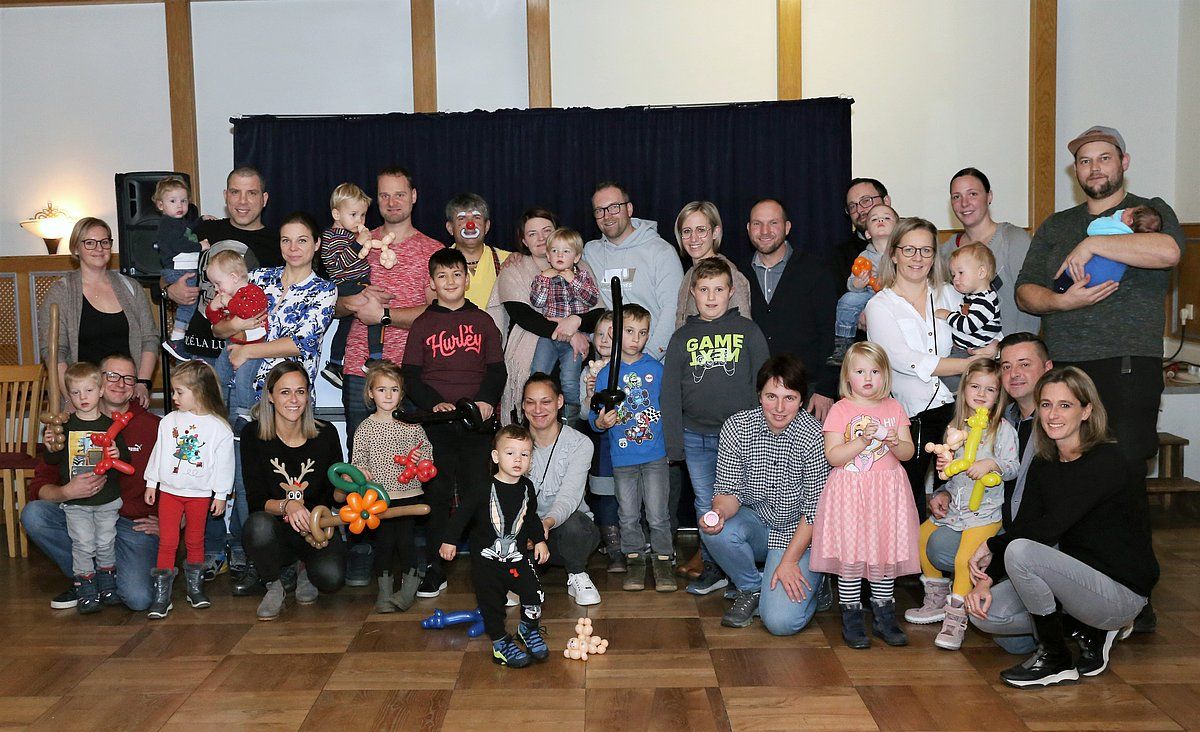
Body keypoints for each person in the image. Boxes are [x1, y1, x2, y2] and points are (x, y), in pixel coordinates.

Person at [964, 367, 1159, 687]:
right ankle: (1086, 629)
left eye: (1064, 405)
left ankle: (1056, 657)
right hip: (1073, 580)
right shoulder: (1046, 460)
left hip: (1119, 591)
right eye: (1045, 404)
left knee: (1022, 550)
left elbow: (1050, 527)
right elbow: (1028, 523)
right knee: (986, 614)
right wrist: (986, 579)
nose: (1052, 414)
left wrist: (991, 546)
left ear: (1087, 411)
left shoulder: (1108, 460)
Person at [1015, 126, 1182, 473]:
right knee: (1066, 470)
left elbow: (1168, 252)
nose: (1095, 168)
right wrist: (1060, 302)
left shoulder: (1149, 212)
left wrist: (1092, 244)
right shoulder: (1057, 225)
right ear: (1075, 170)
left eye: (1104, 158)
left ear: (1124, 162)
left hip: (1128, 364)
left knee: (1123, 468)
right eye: (1085, 161)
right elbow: (1025, 291)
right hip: (1064, 367)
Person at [925, 332, 1053, 655]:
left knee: (996, 620)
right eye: (1007, 366)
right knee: (935, 543)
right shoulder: (1000, 418)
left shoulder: (1053, 426)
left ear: (1047, 368)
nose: (1014, 374)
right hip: (989, 526)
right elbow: (963, 465)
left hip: (1034, 543)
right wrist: (943, 489)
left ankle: (1067, 622)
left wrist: (999, 545)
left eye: (1025, 364)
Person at [402, 247, 506, 598]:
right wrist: (436, 404)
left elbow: (496, 370)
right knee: (439, 495)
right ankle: (435, 567)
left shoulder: (483, 322)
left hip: (476, 423)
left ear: (467, 279)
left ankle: (488, 569)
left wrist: (486, 402)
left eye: (456, 275)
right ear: (431, 282)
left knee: (480, 494)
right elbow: (411, 375)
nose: (450, 282)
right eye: (442, 276)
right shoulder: (422, 325)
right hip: (437, 425)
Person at [662, 257, 769, 596]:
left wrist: (763, 434)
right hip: (696, 437)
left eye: (719, 289)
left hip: (742, 440)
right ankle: (712, 567)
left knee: (744, 502)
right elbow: (669, 393)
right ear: (693, 292)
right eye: (704, 289)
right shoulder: (681, 337)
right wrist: (674, 443)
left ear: (731, 292)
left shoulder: (748, 331)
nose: (711, 296)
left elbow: (764, 384)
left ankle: (741, 568)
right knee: (705, 505)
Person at [865, 217, 983, 522]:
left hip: (959, 408)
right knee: (906, 500)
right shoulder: (880, 305)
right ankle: (904, 567)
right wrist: (968, 365)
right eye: (909, 250)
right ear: (893, 253)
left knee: (959, 493)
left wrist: (984, 351)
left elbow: (975, 333)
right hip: (910, 418)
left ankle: (945, 562)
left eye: (926, 251)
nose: (918, 259)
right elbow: (902, 359)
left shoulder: (951, 294)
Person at [701, 355, 830, 633]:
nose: (780, 408)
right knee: (715, 529)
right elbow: (728, 491)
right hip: (756, 522)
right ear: (759, 395)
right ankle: (751, 588)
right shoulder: (736, 427)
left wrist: (789, 561)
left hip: (800, 533)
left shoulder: (815, 435)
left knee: (781, 623)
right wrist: (719, 512)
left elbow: (815, 512)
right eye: (771, 396)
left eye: (790, 398)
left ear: (803, 400)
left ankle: (819, 579)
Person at [22, 353, 162, 611]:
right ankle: (86, 581)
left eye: (129, 378)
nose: (120, 383)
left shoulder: (156, 427)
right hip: (81, 514)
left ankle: (116, 576)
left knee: (139, 598)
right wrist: (66, 492)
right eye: (112, 376)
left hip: (134, 524)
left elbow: (183, 480)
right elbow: (39, 485)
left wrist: (173, 522)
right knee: (35, 514)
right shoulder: (66, 427)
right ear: (98, 382)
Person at [810, 342, 917, 648]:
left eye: (875, 371)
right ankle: (852, 615)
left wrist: (896, 442)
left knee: (884, 552)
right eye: (860, 371)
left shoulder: (894, 408)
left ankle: (884, 614)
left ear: (885, 375)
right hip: (851, 493)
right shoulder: (841, 409)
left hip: (887, 492)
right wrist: (861, 442)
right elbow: (834, 456)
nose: (868, 377)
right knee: (852, 556)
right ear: (848, 377)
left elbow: (908, 453)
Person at [907, 360, 1019, 651]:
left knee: (963, 561)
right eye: (975, 387)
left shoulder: (1003, 430)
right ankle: (935, 600)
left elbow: (1012, 467)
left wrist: (991, 463)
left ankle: (956, 618)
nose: (981, 394)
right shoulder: (954, 429)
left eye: (990, 389)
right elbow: (949, 471)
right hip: (956, 509)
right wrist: (943, 485)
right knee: (920, 537)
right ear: (964, 388)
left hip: (985, 515)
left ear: (999, 395)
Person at [337, 167, 444, 452]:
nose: (392, 202)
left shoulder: (432, 251)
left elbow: (437, 315)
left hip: (413, 371)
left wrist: (383, 316)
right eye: (385, 195)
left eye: (399, 194)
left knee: (414, 461)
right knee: (361, 460)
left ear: (413, 196)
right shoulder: (356, 244)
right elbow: (333, 307)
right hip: (361, 370)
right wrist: (353, 301)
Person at [240, 362, 347, 621]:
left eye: (300, 391)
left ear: (308, 396)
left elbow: (336, 498)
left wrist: (347, 485)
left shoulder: (326, 433)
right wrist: (288, 505)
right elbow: (256, 500)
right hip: (276, 531)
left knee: (331, 579)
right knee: (257, 526)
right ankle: (273, 584)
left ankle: (304, 570)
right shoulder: (252, 435)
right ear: (270, 396)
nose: (294, 399)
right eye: (285, 392)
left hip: (316, 530)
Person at [440, 424, 550, 668]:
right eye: (510, 453)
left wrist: (540, 540)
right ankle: (501, 643)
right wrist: (449, 540)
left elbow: (531, 517)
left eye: (525, 454)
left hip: (518, 559)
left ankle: (528, 629)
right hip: (486, 564)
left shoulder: (526, 488)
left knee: (534, 593)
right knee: (492, 606)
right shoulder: (482, 488)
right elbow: (461, 516)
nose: (518, 460)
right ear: (496, 457)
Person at [488, 208, 601, 424]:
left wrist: (576, 322)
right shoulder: (514, 269)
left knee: (572, 401)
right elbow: (524, 315)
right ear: (523, 240)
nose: (541, 238)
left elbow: (597, 311)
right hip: (532, 352)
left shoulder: (581, 268)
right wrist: (569, 334)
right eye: (532, 234)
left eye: (546, 230)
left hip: (578, 352)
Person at [589, 304, 673, 592]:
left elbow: (671, 408)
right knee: (627, 514)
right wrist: (601, 421)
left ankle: (663, 562)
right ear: (615, 333)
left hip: (655, 455)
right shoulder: (605, 375)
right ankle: (635, 562)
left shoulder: (657, 370)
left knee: (658, 513)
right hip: (622, 458)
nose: (636, 338)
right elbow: (593, 417)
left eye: (642, 332)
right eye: (629, 331)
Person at [142, 360, 234, 619]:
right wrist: (152, 482)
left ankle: (195, 589)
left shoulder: (219, 428)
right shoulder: (169, 421)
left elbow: (224, 466)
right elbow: (158, 453)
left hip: (200, 495)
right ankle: (163, 597)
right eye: (173, 391)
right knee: (168, 541)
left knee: (195, 540)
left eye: (180, 392)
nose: (174, 397)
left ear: (200, 391)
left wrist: (221, 494)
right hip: (170, 492)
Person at [165, 166, 280, 364]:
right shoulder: (203, 230)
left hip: (249, 358)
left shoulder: (279, 244)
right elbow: (167, 273)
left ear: (265, 198)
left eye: (251, 193)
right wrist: (170, 289)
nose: (242, 201)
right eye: (235, 192)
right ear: (226, 196)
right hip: (196, 354)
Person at [39, 217, 158, 407]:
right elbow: (54, 353)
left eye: (104, 242)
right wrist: (71, 399)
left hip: (125, 395)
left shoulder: (131, 287)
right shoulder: (61, 292)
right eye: (90, 243)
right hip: (83, 401)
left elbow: (149, 339)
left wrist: (142, 383)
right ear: (76, 248)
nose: (99, 248)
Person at [42, 361, 131, 614]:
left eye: (89, 391)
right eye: (76, 393)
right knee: (82, 544)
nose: (83, 397)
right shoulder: (65, 425)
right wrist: (50, 445)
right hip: (77, 503)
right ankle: (86, 588)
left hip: (107, 498)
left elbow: (125, 460)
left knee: (105, 541)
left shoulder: (110, 425)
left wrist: (116, 452)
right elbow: (52, 460)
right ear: (68, 394)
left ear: (101, 390)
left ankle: (107, 585)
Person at [738, 198, 838, 420]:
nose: (764, 231)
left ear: (787, 227)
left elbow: (834, 333)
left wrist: (826, 387)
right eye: (757, 224)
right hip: (755, 395)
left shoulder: (816, 271)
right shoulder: (736, 273)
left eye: (773, 223)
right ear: (748, 229)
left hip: (809, 393)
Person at [350, 362, 431, 613]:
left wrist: (422, 459)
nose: (388, 395)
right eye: (381, 389)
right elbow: (357, 459)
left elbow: (427, 450)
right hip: (379, 496)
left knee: (406, 542)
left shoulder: (411, 424)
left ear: (401, 393)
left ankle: (408, 589)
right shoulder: (365, 427)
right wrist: (361, 472)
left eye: (394, 390)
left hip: (408, 495)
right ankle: (384, 592)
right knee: (384, 544)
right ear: (370, 393)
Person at [522, 373, 602, 606]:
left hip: (560, 532)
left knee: (576, 526)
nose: (538, 409)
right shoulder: (512, 442)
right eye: (530, 402)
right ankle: (517, 576)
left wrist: (544, 525)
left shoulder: (580, 443)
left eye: (545, 401)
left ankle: (577, 573)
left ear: (559, 402)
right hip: (525, 534)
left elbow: (569, 497)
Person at [582, 182, 683, 361]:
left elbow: (672, 310)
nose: (607, 216)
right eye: (600, 210)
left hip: (654, 363)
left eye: (614, 207)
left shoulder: (661, 251)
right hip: (607, 365)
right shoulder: (590, 253)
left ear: (629, 209)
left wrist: (646, 359)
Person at [940, 167, 1040, 335]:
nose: (964, 203)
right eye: (956, 197)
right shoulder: (947, 251)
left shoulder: (1013, 240)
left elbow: (1034, 296)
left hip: (1014, 355)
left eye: (973, 194)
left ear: (989, 196)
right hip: (966, 358)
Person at [530, 227, 600, 422]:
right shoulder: (543, 277)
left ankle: (571, 421)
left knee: (569, 380)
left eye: (566, 251)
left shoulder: (583, 277)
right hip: (549, 337)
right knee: (538, 372)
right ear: (548, 255)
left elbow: (592, 299)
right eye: (555, 251)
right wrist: (545, 279)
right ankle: (538, 415)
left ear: (576, 257)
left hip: (575, 339)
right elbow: (537, 301)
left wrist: (573, 280)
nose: (560, 255)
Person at [319, 183, 383, 388]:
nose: (360, 221)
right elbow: (338, 264)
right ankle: (375, 358)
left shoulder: (349, 235)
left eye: (363, 215)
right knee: (376, 312)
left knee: (345, 326)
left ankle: (335, 364)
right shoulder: (330, 237)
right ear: (336, 213)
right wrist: (357, 243)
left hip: (356, 283)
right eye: (354, 214)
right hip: (346, 285)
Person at [580, 311, 622, 572]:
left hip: (629, 440)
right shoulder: (588, 369)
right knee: (605, 493)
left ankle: (635, 544)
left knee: (631, 493)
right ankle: (614, 547)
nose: (605, 339)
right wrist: (590, 395)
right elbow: (584, 413)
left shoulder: (630, 367)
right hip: (602, 442)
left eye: (612, 334)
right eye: (600, 334)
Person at [829, 203, 895, 364]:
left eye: (886, 218)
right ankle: (843, 343)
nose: (881, 220)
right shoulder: (864, 255)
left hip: (893, 296)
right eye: (874, 219)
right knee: (848, 299)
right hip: (868, 293)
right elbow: (851, 283)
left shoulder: (900, 253)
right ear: (867, 233)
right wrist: (858, 283)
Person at [205, 249, 269, 414]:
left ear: (234, 277)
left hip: (254, 345)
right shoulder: (227, 296)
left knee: (243, 379)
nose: (216, 288)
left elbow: (248, 311)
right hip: (231, 343)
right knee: (218, 375)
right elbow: (215, 322)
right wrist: (213, 307)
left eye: (218, 283)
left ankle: (245, 413)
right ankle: (219, 408)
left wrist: (229, 302)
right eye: (213, 284)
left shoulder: (253, 291)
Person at [672, 200, 752, 327]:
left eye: (701, 230)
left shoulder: (730, 274)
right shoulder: (689, 275)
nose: (693, 238)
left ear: (715, 232)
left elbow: (744, 329)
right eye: (687, 231)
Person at [936, 243, 1002, 392]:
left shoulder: (984, 301)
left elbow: (968, 326)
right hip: (964, 349)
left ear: (981, 273)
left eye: (960, 273)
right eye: (953, 275)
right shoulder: (974, 297)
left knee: (945, 378)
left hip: (973, 351)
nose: (955, 279)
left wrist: (947, 315)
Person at [154, 176, 203, 354]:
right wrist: (200, 246)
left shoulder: (176, 223)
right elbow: (178, 244)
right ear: (161, 205)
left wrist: (202, 220)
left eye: (183, 201)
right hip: (178, 269)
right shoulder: (168, 224)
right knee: (189, 302)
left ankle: (180, 337)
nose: (180, 205)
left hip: (182, 267)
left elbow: (188, 230)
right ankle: (176, 338)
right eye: (173, 201)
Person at [445, 192, 510, 308]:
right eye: (461, 218)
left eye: (476, 217)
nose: (470, 224)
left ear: (487, 226)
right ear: (450, 228)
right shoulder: (439, 263)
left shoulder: (508, 261)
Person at [834, 178, 892, 292]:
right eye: (852, 206)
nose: (860, 210)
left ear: (886, 201)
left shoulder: (914, 238)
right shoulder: (839, 257)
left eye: (866, 201)